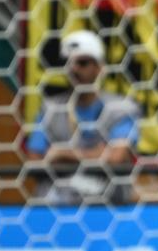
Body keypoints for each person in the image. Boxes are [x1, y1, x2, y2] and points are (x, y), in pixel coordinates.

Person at [26, 30, 139, 205]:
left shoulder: (121, 109)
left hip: (107, 203)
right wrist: (96, 154)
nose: (74, 69)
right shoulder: (50, 108)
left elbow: (115, 157)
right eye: (68, 63)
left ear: (99, 67)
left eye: (82, 62)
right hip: (58, 201)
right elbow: (34, 160)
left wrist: (62, 154)